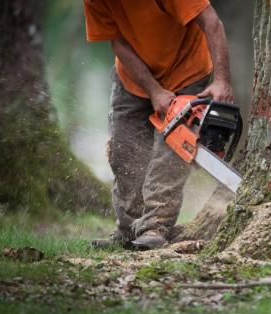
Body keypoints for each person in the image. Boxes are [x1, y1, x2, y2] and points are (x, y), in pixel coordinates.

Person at [83, 0, 234, 249]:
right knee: (124, 151)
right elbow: (117, 41)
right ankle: (128, 228)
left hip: (187, 69)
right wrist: (154, 90)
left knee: (172, 152)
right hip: (132, 76)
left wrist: (222, 81)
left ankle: (155, 227)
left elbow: (211, 22)